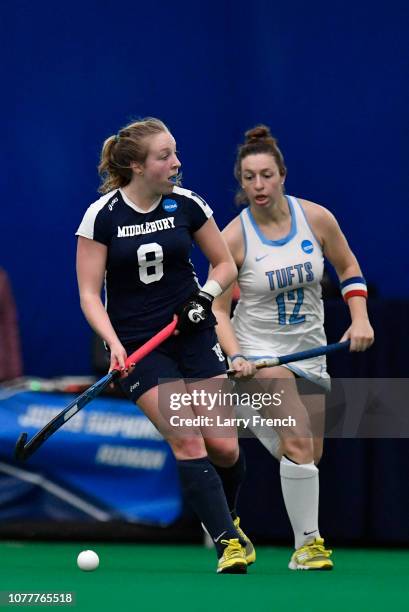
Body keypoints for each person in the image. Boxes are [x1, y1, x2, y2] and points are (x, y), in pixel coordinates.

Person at [75, 117, 255, 573]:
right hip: (141, 348)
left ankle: (226, 516)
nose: (176, 162)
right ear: (137, 166)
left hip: (192, 334)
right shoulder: (102, 217)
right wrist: (113, 344)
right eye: (164, 156)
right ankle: (226, 543)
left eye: (174, 152)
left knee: (225, 449)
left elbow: (224, 264)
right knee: (188, 441)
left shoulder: (186, 203)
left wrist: (204, 298)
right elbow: (89, 294)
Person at [213, 125, 374, 570]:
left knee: (306, 455)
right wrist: (237, 356)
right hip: (260, 355)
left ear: (283, 174)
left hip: (310, 353)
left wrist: (359, 317)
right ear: (240, 182)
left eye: (266, 175)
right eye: (249, 178)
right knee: (300, 442)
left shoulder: (316, 219)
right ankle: (307, 546)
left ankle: (229, 521)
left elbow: (348, 268)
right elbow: (219, 311)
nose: (258, 186)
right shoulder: (233, 238)